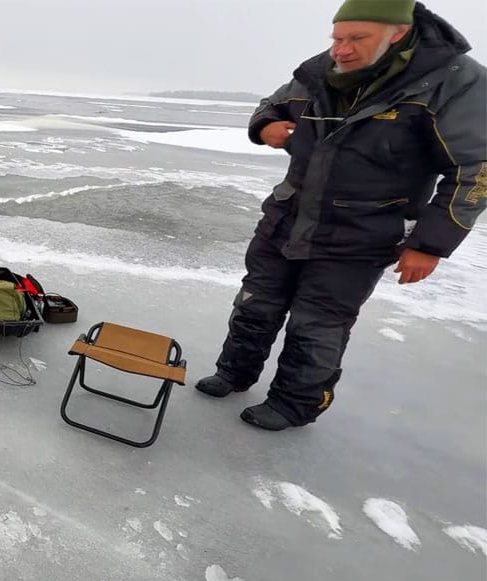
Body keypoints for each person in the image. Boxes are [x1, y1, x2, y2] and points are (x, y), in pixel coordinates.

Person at [196, 0, 485, 431]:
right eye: (337, 38)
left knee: (319, 323)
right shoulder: (322, 71)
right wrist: (265, 126)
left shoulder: (454, 81)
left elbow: (475, 169)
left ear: (398, 34)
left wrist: (429, 244)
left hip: (363, 232)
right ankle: (234, 373)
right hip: (287, 217)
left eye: (356, 39)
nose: (342, 50)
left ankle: (294, 404)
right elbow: (272, 105)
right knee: (257, 303)